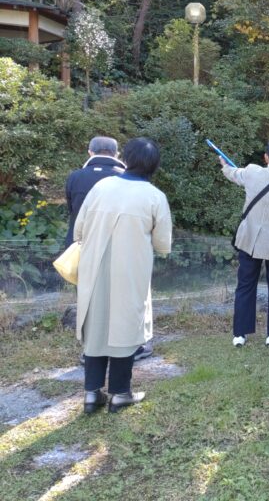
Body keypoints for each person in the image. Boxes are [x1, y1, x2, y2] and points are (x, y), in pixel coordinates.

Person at [75, 138, 172, 413]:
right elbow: (163, 245)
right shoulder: (155, 196)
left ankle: (92, 395)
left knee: (95, 328)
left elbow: (78, 231)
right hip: (130, 270)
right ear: (154, 166)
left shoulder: (101, 187)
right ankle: (120, 394)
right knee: (125, 327)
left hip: (93, 267)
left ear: (125, 158)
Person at [67, 137, 152, 363]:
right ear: (117, 155)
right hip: (123, 250)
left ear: (89, 152)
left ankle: (90, 351)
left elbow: (73, 212)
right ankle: (127, 349)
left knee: (89, 301)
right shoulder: (125, 179)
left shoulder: (75, 177)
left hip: (84, 247)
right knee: (123, 301)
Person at [220, 139, 269, 348]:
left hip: (250, 239)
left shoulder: (252, 171)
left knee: (245, 285)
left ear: (265, 157)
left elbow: (232, 173)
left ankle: (240, 334)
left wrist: (224, 164)